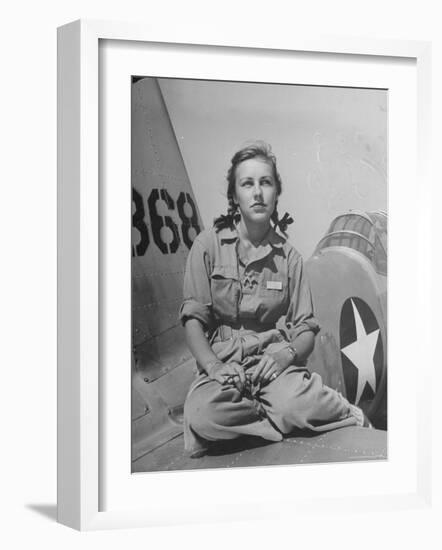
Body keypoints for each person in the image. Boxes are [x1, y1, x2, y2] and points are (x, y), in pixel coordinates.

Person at [179, 142, 368, 458]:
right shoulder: (207, 245)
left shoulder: (290, 258)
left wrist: (285, 356)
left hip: (272, 361)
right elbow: (193, 319)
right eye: (247, 183)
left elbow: (305, 329)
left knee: (300, 403)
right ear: (234, 195)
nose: (257, 193)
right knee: (203, 415)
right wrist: (212, 367)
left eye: (265, 183)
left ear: (276, 192)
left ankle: (345, 411)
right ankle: (278, 416)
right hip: (223, 363)